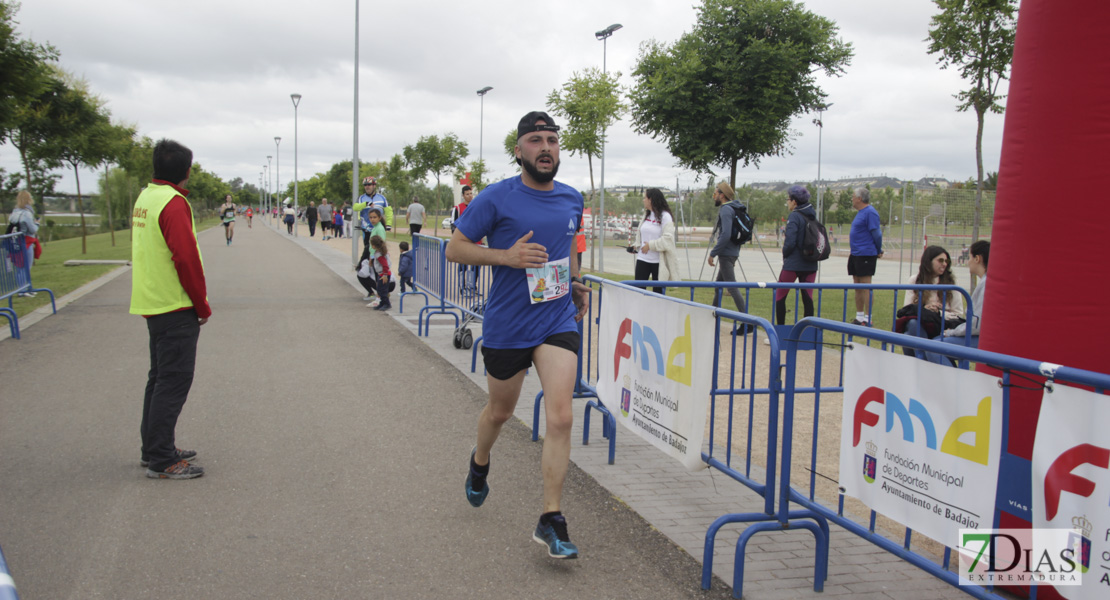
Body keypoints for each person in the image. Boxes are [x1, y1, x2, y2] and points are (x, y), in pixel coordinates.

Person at [445, 111, 590, 560]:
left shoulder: (571, 198)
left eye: (552, 140)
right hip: (509, 325)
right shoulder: (495, 197)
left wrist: (575, 280)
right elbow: (455, 248)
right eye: (535, 141)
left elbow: (567, 246)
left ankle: (551, 518)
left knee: (561, 416)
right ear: (519, 150)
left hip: (556, 318)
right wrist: (506, 256)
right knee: (501, 413)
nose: (546, 147)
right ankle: (480, 462)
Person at [129, 139, 209, 480]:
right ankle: (162, 458)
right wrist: (201, 303)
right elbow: (185, 258)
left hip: (153, 301)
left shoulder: (147, 197)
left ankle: (154, 448)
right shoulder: (174, 204)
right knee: (173, 381)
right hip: (175, 305)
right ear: (186, 171)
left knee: (159, 378)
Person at [922, 240, 989, 365]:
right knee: (934, 341)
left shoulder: (986, 285)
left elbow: (976, 324)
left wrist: (952, 332)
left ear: (977, 259)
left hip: (982, 339)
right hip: (979, 335)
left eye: (969, 257)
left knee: (933, 348)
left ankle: (953, 383)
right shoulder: (985, 282)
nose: (968, 262)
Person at [897, 245, 965, 357]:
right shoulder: (915, 280)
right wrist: (925, 309)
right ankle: (924, 361)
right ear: (929, 262)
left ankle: (922, 362)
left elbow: (958, 314)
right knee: (912, 325)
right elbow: (907, 309)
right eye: (940, 260)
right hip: (921, 325)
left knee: (909, 336)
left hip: (942, 327)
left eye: (946, 261)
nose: (944, 264)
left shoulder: (952, 282)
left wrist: (939, 312)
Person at [774, 186, 818, 328]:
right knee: (808, 298)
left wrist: (785, 253)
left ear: (794, 201)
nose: (787, 202)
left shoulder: (794, 216)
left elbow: (790, 241)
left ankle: (780, 333)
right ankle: (807, 333)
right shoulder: (812, 214)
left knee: (780, 296)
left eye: (788, 199)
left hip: (793, 263)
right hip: (811, 263)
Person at [707, 182, 748, 319]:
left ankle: (746, 321)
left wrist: (713, 253)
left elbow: (725, 234)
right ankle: (713, 315)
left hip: (726, 253)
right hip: (732, 252)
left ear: (722, 195)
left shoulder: (726, 209)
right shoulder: (734, 208)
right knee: (719, 285)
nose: (714, 197)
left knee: (731, 287)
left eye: (715, 194)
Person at [848, 187, 883, 325]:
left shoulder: (870, 212)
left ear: (859, 198)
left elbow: (877, 233)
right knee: (857, 286)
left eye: (853, 196)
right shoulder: (860, 213)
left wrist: (878, 249)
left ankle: (868, 318)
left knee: (866, 286)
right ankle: (859, 316)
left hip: (866, 254)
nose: (851, 199)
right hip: (855, 254)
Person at [634, 188, 677, 295]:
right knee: (638, 291)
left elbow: (668, 239)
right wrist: (636, 245)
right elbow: (641, 234)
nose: (643, 200)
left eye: (645, 198)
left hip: (658, 262)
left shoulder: (665, 216)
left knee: (658, 294)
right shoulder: (646, 215)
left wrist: (650, 245)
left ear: (651, 200)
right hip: (642, 259)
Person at [7, 190, 41, 296]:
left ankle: (22, 289)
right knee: (26, 267)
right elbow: (32, 229)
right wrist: (37, 224)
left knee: (19, 267)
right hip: (26, 242)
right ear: (29, 199)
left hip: (15, 242)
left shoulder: (15, 212)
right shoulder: (27, 213)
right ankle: (25, 289)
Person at [355, 176, 390, 245]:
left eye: (369, 185)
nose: (367, 187)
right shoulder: (361, 198)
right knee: (368, 250)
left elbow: (389, 211)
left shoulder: (382, 198)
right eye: (365, 185)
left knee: (380, 248)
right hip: (366, 229)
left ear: (374, 185)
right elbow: (355, 207)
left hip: (379, 228)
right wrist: (365, 204)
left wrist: (388, 224)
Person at [369, 235, 393, 311]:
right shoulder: (379, 252)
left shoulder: (379, 254)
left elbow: (385, 265)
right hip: (382, 274)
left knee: (383, 290)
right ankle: (382, 303)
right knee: (379, 289)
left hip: (384, 274)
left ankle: (387, 303)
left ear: (374, 245)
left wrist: (385, 275)